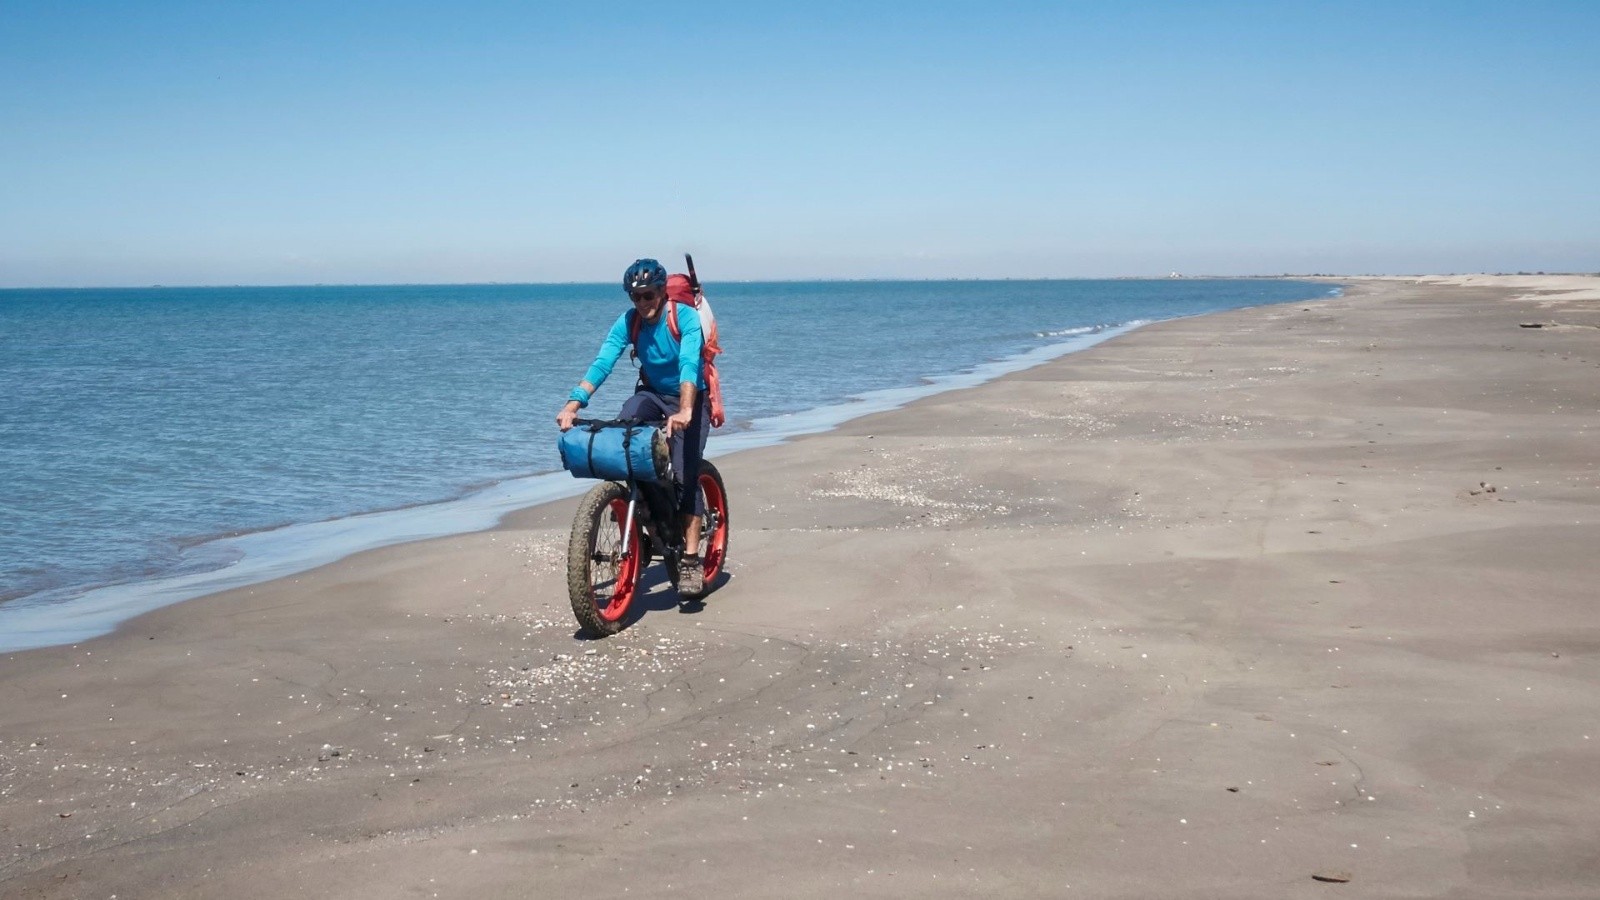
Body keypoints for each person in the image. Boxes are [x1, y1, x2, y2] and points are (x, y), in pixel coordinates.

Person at [556, 258, 711, 595]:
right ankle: (642, 511)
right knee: (625, 434)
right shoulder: (630, 322)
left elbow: (688, 363)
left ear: (662, 293)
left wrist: (685, 410)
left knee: (685, 475)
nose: (643, 303)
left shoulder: (682, 316)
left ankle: (689, 560)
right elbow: (604, 361)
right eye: (635, 297)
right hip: (653, 395)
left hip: (690, 397)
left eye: (649, 295)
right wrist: (573, 404)